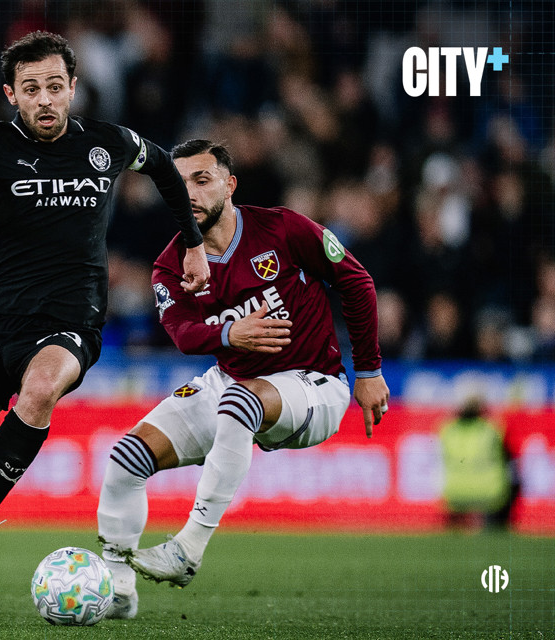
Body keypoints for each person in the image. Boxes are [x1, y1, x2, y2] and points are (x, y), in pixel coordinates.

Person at [0, 31, 210, 612]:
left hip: (69, 315)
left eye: (56, 86)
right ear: (11, 95)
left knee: (43, 386)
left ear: (73, 88)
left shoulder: (108, 143)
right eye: (32, 89)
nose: (46, 99)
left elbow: (167, 171)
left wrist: (194, 245)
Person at [95, 139, 389, 619]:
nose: (188, 193)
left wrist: (370, 369)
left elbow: (356, 282)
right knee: (126, 458)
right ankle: (118, 588)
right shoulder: (172, 264)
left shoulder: (283, 228)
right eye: (178, 183)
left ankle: (188, 548)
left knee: (240, 400)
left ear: (230, 186)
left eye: (202, 180)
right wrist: (232, 332)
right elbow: (185, 335)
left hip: (314, 382)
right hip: (229, 380)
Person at [439, 396, 513, 530]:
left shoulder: (448, 430)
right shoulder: (492, 429)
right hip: (490, 494)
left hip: (455, 492)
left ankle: (458, 528)